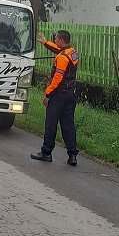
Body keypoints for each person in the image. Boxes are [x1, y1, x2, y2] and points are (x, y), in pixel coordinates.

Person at [30, 29, 79, 166]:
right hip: (71, 95)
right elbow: (58, 49)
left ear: (62, 40)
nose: (55, 40)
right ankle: (72, 155)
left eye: (56, 38)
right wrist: (46, 43)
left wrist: (47, 94)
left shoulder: (62, 58)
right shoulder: (72, 53)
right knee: (68, 125)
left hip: (59, 95)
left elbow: (57, 78)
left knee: (51, 124)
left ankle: (46, 153)